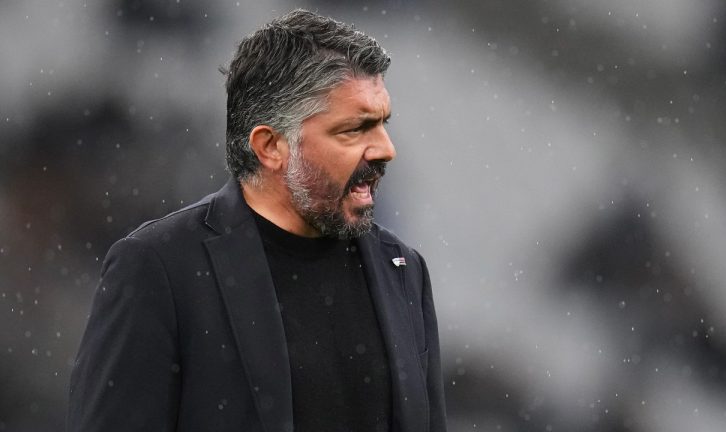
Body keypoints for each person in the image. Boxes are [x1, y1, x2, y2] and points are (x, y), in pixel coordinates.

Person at [66, 9, 447, 432]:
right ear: (270, 146)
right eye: (354, 130)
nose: (386, 149)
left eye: (382, 124)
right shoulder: (159, 268)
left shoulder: (403, 270)